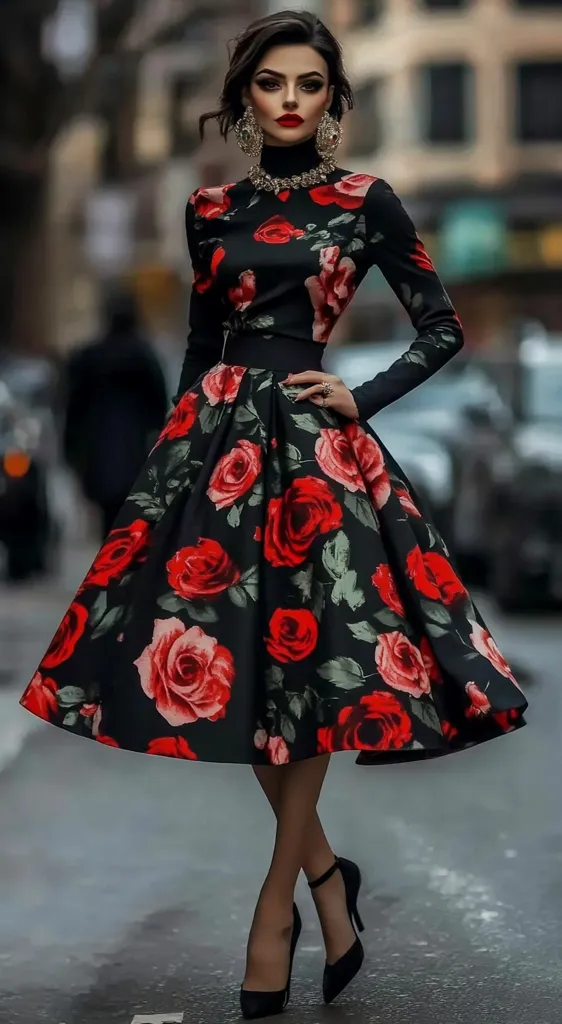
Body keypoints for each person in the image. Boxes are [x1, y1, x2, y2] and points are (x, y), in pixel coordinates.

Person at [19, 11, 528, 1020]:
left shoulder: (363, 203)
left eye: (308, 85)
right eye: (269, 84)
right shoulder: (209, 208)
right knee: (248, 673)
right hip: (214, 458)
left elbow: (441, 327)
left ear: (333, 101)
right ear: (245, 96)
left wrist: (361, 396)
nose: (289, 100)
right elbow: (203, 346)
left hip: (316, 456)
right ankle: (327, 880)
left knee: (306, 664)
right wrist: (171, 460)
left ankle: (275, 906)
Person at [62, 287, 169, 538]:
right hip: (135, 452)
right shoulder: (144, 358)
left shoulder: (89, 358)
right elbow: (159, 406)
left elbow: (73, 410)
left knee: (108, 524)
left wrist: (72, 453)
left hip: (98, 454)